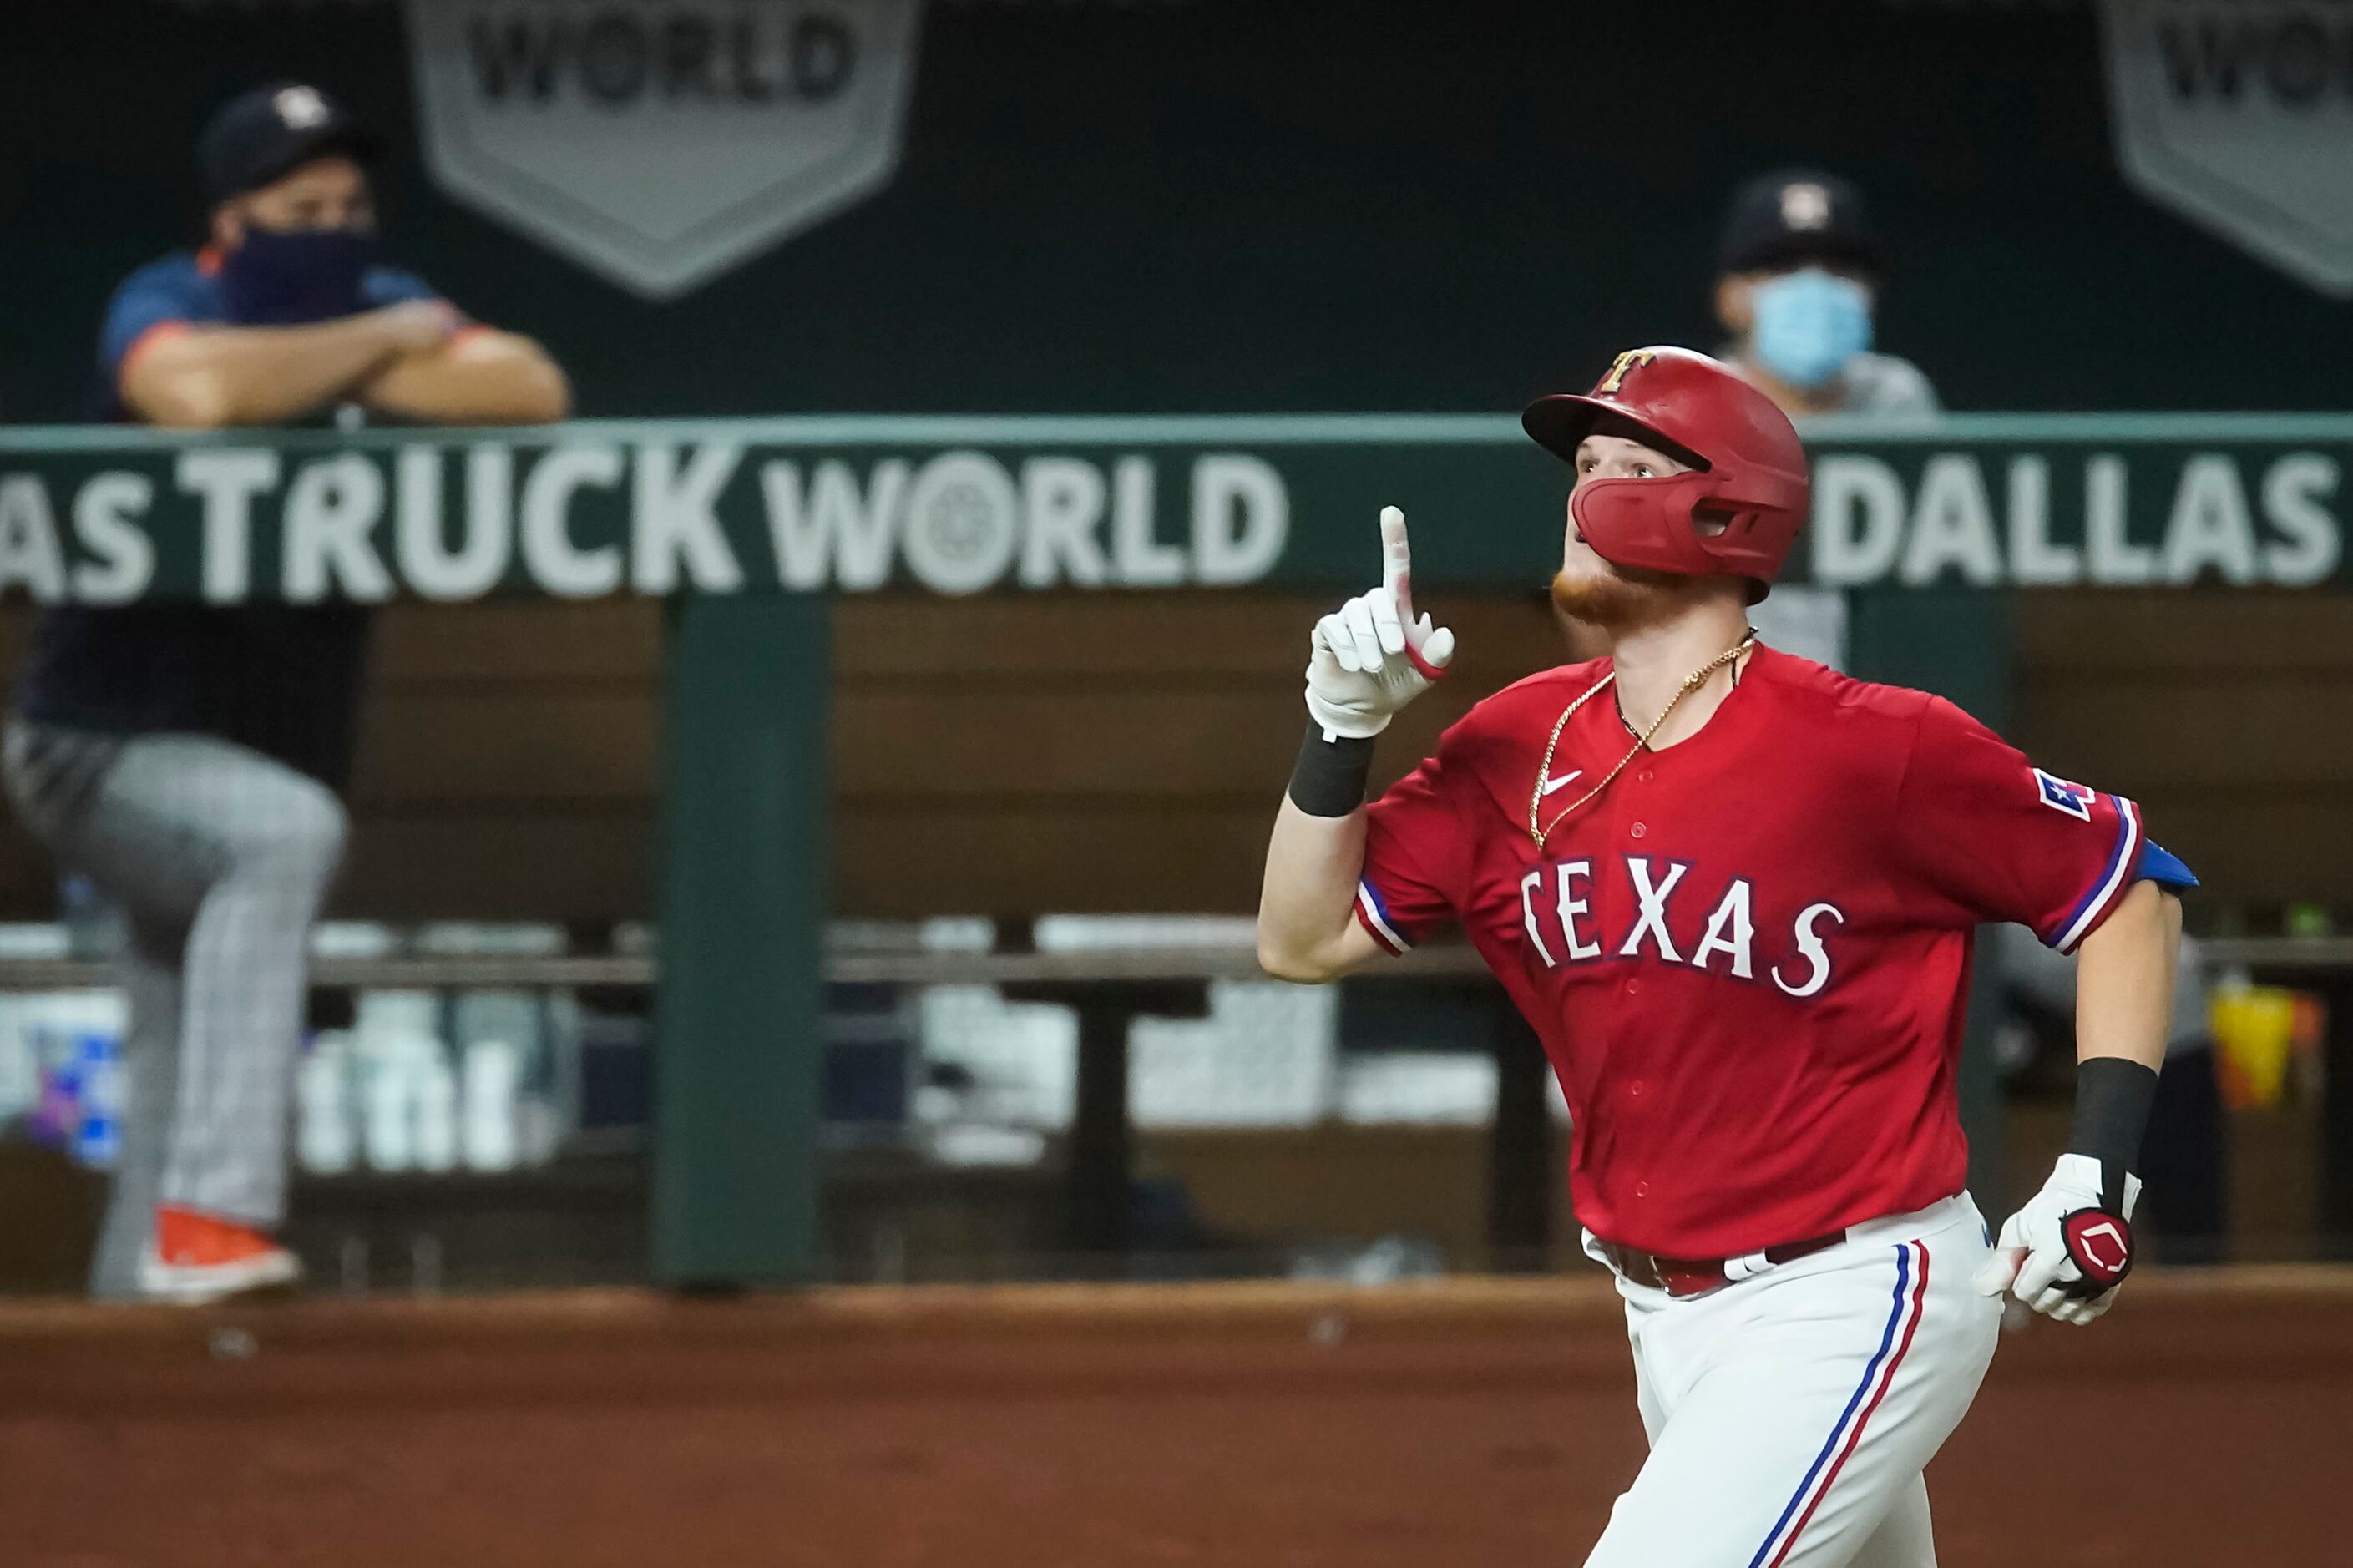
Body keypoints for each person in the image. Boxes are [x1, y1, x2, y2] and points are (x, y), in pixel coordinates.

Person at [1256, 346, 2193, 1565]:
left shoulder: (1868, 745)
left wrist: (2093, 1166)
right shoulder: (1514, 743)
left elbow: (2126, 888)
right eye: (1579, 467)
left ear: (1722, 506)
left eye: (1622, 466)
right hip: (1659, 1315)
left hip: (1853, 1290)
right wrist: (1340, 729)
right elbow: (1300, 937)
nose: (1582, 494)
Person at [1, 83, 569, 1304]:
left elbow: (526, 386)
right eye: (300, 204)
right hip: (102, 743)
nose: (333, 224)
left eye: (348, 202)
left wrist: (342, 354)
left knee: (172, 1047)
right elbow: (193, 394)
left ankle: (137, 1344)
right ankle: (214, 1223)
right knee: (286, 839)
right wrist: (374, 352)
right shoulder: (173, 298)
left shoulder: (375, 297)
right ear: (234, 218)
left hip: (245, 748)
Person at [1715, 169, 1939, 418]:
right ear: (1727, 298)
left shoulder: (1895, 396)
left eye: (1839, 268)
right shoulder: (1700, 399)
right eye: (1783, 268)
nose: (1815, 284)